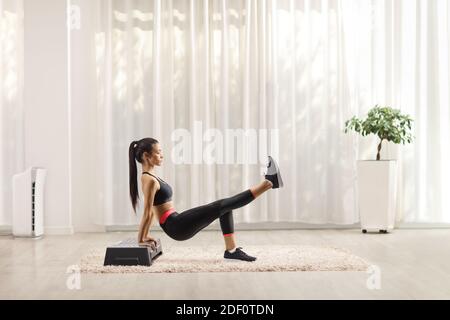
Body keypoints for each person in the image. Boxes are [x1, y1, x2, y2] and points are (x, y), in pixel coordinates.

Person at [128, 138, 283, 262]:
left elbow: (152, 212)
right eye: (158, 152)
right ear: (146, 156)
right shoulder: (148, 179)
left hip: (176, 221)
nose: (162, 155)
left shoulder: (152, 177)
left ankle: (232, 251)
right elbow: (148, 213)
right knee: (222, 205)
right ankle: (268, 183)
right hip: (176, 226)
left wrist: (144, 236)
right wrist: (141, 238)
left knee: (223, 208)